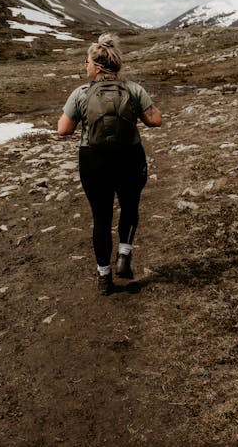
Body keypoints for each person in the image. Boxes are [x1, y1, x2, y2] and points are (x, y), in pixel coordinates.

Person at [57, 33, 162, 295]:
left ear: (98, 65)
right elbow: (155, 120)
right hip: (130, 157)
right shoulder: (134, 90)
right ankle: (124, 253)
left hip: (94, 160)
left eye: (87, 62)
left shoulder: (81, 93)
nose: (86, 66)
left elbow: (63, 130)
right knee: (129, 206)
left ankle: (104, 277)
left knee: (101, 218)